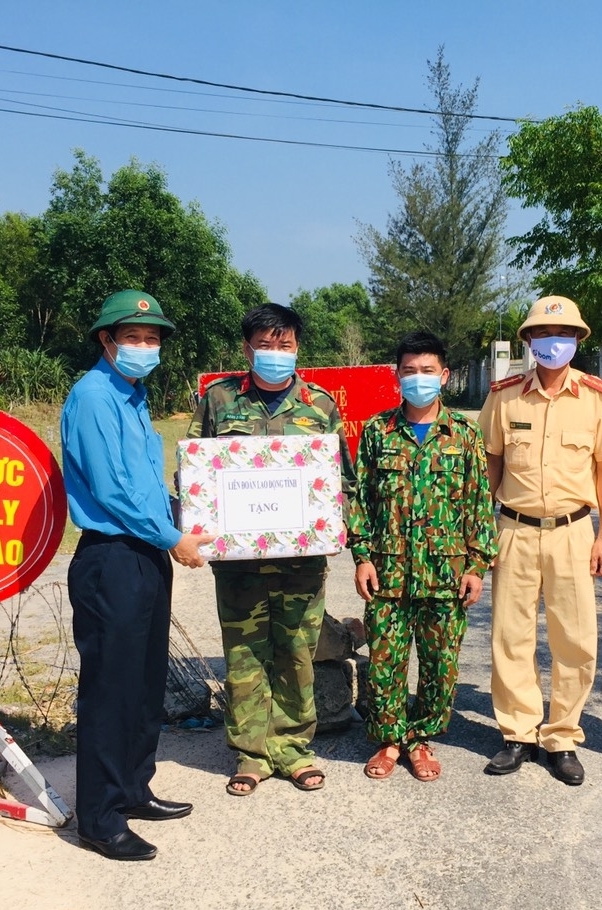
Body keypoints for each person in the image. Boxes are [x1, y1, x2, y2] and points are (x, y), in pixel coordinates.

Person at [61, 289, 211, 861]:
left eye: (152, 339)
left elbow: (147, 480)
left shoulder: (134, 395)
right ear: (107, 340)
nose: (145, 347)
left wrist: (183, 513)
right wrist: (175, 538)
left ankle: (132, 790)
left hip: (145, 553)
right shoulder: (94, 396)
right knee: (110, 689)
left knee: (145, 681)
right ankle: (99, 818)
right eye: (134, 337)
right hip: (113, 556)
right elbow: (112, 490)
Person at [187, 303, 354, 796]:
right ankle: (250, 753)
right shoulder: (218, 401)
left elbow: (338, 478)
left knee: (297, 652)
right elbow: (196, 471)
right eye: (265, 344)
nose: (274, 353)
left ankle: (295, 750)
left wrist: (334, 525)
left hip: (302, 561)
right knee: (244, 654)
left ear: (298, 348)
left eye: (284, 345)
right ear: (247, 348)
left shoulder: (320, 406)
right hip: (239, 562)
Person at [477, 295, 602, 786]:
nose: (552, 343)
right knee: (510, 635)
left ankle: (562, 736)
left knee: (576, 638)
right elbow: (491, 464)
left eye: (562, 335)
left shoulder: (597, 398)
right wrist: (483, 529)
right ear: (528, 341)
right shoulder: (504, 397)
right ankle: (519, 733)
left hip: (572, 532)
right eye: (542, 335)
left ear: (578, 341)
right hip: (514, 529)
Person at [348, 332, 497, 782]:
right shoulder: (377, 431)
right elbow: (360, 500)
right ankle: (390, 739)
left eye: (427, 371)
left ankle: (420, 738)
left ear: (444, 376)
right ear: (397, 376)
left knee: (440, 663)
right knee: (387, 659)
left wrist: (476, 566)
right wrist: (362, 555)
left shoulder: (465, 434)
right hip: (389, 570)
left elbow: (478, 502)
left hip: (444, 572)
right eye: (409, 371)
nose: (418, 379)